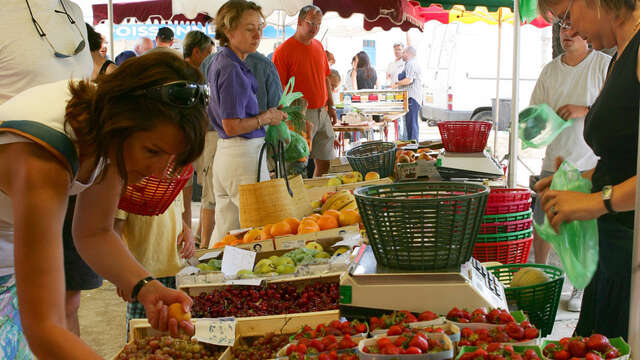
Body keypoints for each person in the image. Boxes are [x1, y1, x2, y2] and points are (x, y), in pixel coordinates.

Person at [0, 51, 208, 358]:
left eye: (171, 158)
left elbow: (94, 232)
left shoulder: (108, 131)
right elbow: (43, 328)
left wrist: (145, 287)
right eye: (152, 151)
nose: (156, 170)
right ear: (122, 122)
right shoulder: (43, 160)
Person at [536, 0, 640, 340]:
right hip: (609, 252)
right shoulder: (618, 58)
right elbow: (621, 161)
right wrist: (577, 183)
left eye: (567, 16)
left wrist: (597, 202)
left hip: (632, 251)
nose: (572, 29)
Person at [529, 26, 610, 312]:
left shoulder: (603, 64)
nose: (568, 33)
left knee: (583, 231)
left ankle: (580, 288)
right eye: (563, 27)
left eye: (574, 28)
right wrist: (543, 121)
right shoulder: (550, 70)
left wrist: (583, 110)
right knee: (544, 224)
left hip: (589, 164)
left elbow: (612, 112)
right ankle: (539, 279)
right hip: (553, 161)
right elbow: (533, 116)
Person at [208, 0, 287, 245]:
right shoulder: (231, 67)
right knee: (254, 231)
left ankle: (211, 279)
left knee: (227, 227)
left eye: (259, 27)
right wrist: (267, 118)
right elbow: (232, 125)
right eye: (249, 28)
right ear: (229, 32)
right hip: (241, 155)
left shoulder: (225, 61)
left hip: (229, 155)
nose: (257, 34)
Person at [114, 191, 195, 337]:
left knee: (177, 332)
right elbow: (114, 232)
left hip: (178, 273)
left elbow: (176, 215)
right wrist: (122, 273)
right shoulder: (133, 184)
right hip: (143, 279)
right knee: (141, 335)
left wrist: (187, 230)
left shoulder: (175, 179)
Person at [273, 5, 337, 177]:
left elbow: (326, 78)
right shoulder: (283, 51)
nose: (315, 29)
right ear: (300, 22)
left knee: (325, 161)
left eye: (318, 24)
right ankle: (297, 200)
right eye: (311, 24)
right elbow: (278, 89)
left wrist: (331, 107)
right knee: (297, 166)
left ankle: (315, 195)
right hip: (299, 115)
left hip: (322, 112)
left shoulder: (318, 46)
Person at [183, 30, 215, 236]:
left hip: (194, 138)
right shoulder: (187, 75)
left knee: (190, 192)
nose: (211, 58)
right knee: (195, 192)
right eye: (208, 53)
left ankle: (191, 235)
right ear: (196, 52)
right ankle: (194, 237)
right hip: (188, 138)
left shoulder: (199, 74)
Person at [392, 46, 422, 141]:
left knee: (411, 124)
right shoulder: (411, 63)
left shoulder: (410, 64)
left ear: (408, 54)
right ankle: (412, 144)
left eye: (404, 52)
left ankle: (413, 145)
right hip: (412, 97)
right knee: (411, 124)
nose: (402, 54)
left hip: (412, 98)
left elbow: (409, 80)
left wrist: (396, 84)